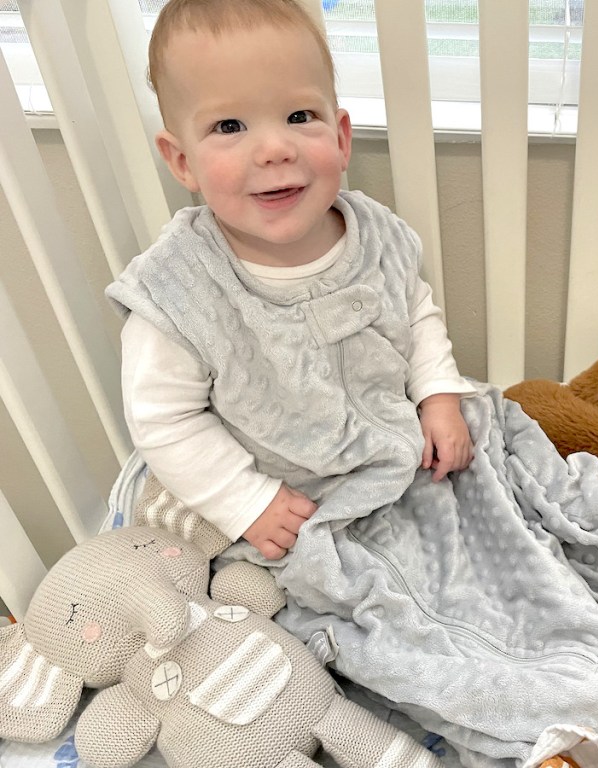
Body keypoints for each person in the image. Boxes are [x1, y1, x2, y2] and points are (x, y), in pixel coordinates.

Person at [107, 0, 476, 562]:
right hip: (287, 496)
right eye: (229, 126)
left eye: (300, 117)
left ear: (341, 137)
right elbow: (164, 421)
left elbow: (414, 313)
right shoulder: (179, 289)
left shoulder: (375, 235)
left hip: (397, 453)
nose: (276, 149)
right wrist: (246, 501)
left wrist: (439, 398)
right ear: (182, 162)